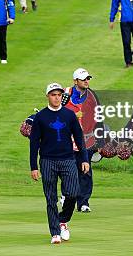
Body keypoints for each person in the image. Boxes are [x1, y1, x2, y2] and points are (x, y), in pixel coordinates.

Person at [29, 82, 89, 244]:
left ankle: (63, 220)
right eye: (53, 94)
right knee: (51, 198)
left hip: (68, 159)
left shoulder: (69, 115)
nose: (57, 97)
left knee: (73, 193)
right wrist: (33, 166)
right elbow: (34, 142)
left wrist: (84, 159)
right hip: (48, 160)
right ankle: (55, 232)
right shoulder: (41, 116)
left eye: (59, 95)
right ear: (48, 96)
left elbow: (79, 138)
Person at [63, 68, 99, 213]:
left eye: (88, 78)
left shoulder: (92, 96)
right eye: (83, 79)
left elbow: (98, 117)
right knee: (67, 170)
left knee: (85, 171)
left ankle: (83, 202)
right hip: (67, 140)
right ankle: (66, 196)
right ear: (75, 81)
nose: (86, 81)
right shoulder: (66, 93)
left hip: (86, 139)